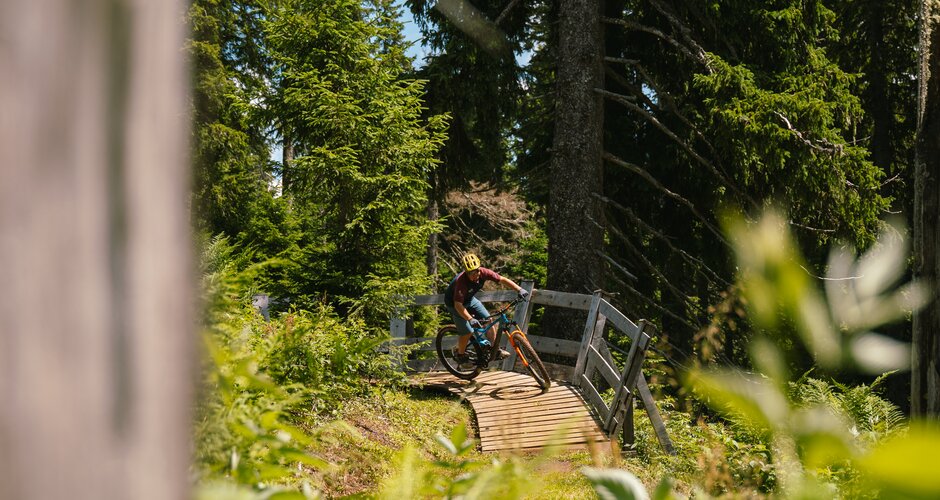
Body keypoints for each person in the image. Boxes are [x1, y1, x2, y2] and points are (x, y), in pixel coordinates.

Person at [445, 253, 530, 366]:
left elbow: (502, 279)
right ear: (466, 272)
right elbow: (458, 305)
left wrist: (519, 289)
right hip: (455, 304)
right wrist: (470, 319)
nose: (475, 274)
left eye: (477, 271)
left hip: (469, 300)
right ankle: (460, 354)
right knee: (467, 331)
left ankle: (494, 349)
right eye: (471, 273)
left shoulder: (484, 272)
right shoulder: (461, 282)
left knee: (489, 320)